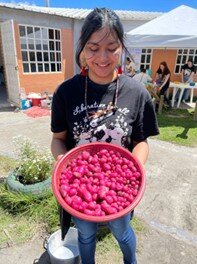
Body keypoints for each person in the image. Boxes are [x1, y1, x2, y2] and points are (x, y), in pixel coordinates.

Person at [51, 7, 159, 264]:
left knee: (122, 232)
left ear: (122, 47)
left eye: (111, 47)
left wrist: (132, 170)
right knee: (86, 235)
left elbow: (141, 141)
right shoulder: (66, 92)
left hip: (120, 188)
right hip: (80, 188)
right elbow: (58, 139)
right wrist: (63, 161)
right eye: (93, 47)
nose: (102, 57)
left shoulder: (137, 93)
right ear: (82, 49)